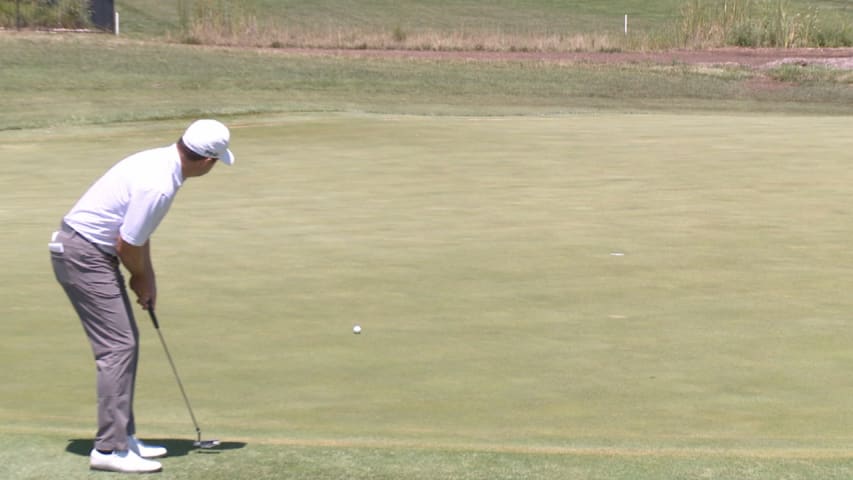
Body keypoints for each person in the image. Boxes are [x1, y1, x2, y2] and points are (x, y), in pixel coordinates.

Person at [49, 119, 235, 473]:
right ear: (207, 161)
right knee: (118, 347)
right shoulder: (160, 185)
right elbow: (128, 243)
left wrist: (146, 277)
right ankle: (109, 450)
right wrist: (140, 275)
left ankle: (123, 436)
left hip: (88, 251)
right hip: (84, 254)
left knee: (124, 342)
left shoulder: (157, 160)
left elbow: (134, 233)